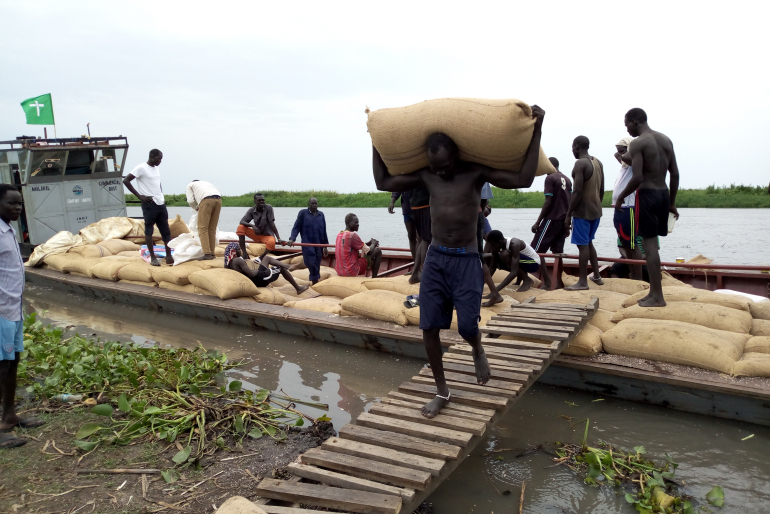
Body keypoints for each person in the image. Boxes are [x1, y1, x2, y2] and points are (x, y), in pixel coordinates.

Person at [372, 104, 546, 418]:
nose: (440, 172)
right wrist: (376, 140)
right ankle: (442, 391)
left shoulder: (475, 173)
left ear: (455, 155)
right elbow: (383, 182)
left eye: (444, 166)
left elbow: (523, 179)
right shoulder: (427, 174)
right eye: (435, 167)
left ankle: (477, 347)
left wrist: (538, 129)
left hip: (466, 260)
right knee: (429, 327)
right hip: (437, 258)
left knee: (467, 326)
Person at [614, 108, 680, 307]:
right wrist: (672, 202)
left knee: (649, 247)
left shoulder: (638, 143)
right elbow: (675, 174)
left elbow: (637, 177)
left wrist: (621, 197)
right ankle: (653, 292)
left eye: (627, 124)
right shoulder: (666, 140)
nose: (627, 129)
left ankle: (657, 296)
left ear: (634, 121)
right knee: (652, 246)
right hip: (663, 194)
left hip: (647, 195)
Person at [0, 185, 43, 447]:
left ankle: (9, 416)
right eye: (12, 203)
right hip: (1, 311)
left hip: (13, 308)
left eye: (20, 204)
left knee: (12, 361)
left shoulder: (8, 229)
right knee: (1, 366)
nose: (17, 208)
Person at [564, 136, 605, 290]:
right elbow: (601, 189)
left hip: (582, 211)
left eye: (572, 148)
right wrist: (597, 205)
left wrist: (568, 215)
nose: (572, 151)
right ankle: (597, 276)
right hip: (596, 210)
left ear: (576, 146)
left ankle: (582, 282)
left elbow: (577, 192)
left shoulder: (580, 163)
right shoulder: (598, 162)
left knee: (582, 246)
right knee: (588, 243)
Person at [123, 149, 174, 266]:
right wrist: (139, 196)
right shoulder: (141, 168)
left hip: (160, 203)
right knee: (149, 230)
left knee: (166, 230)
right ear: (152, 156)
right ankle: (152, 258)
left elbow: (157, 184)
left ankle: (169, 256)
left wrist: (160, 195)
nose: (160, 161)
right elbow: (126, 180)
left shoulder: (156, 168)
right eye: (159, 159)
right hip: (149, 203)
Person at [611, 137, 643, 280]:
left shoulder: (634, 163)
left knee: (632, 243)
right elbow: (620, 158)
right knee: (625, 243)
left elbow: (629, 159)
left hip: (629, 207)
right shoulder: (625, 166)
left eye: (623, 151)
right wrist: (620, 156)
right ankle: (632, 273)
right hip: (620, 207)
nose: (620, 155)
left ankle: (638, 277)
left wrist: (624, 155)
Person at [223, 242, 308, 295]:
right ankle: (298, 288)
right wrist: (255, 270)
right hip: (259, 279)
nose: (240, 251)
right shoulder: (238, 260)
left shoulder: (228, 264)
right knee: (280, 268)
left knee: (266, 258)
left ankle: (288, 266)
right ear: (233, 251)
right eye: (238, 249)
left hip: (256, 277)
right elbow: (251, 274)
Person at [531, 157, 572, 256]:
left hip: (552, 219)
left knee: (535, 250)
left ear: (550, 165)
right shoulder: (567, 179)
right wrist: (567, 224)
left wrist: (537, 222)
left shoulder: (550, 178)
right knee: (558, 251)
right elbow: (570, 202)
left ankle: (534, 267)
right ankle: (558, 267)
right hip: (563, 220)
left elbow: (548, 202)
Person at [485, 230, 551, 292]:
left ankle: (527, 280)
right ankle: (519, 281)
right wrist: (482, 283)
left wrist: (496, 290)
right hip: (522, 261)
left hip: (533, 263)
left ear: (500, 242)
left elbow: (514, 271)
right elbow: (492, 267)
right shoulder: (496, 245)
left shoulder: (514, 244)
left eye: (493, 245)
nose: (492, 248)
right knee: (493, 258)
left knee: (505, 255)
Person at [288, 197, 329, 284]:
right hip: (307, 243)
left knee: (317, 263)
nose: (314, 205)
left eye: (315, 203)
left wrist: (325, 246)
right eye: (312, 203)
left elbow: (324, 231)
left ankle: (315, 282)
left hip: (319, 244)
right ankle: (315, 281)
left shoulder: (321, 215)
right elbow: (296, 227)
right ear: (308, 204)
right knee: (312, 263)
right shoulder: (303, 213)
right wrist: (292, 238)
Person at [479, 183, 504, 306]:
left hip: (471, 217)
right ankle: (494, 293)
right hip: (477, 215)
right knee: (478, 255)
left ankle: (494, 293)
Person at [185, 180, 221, 261]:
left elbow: (190, 200)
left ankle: (207, 254)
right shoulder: (206, 183)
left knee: (202, 228)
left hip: (206, 200)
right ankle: (212, 253)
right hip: (218, 200)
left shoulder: (190, 185)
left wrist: (196, 208)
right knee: (212, 228)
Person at [407, 186, 431, 284]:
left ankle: (416, 272)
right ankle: (425, 275)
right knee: (426, 239)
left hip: (415, 204)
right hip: (425, 204)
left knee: (423, 239)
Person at [389, 190, 420, 263]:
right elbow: (397, 188)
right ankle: (416, 264)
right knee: (411, 236)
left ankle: (421, 264)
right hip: (407, 209)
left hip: (420, 208)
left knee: (420, 237)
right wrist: (392, 202)